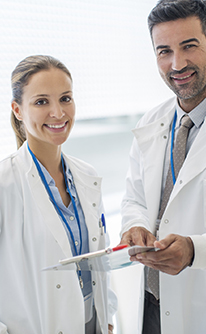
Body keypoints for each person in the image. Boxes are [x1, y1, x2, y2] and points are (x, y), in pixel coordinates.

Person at [120, 1, 206, 333]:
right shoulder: (151, 122)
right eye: (164, 51)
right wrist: (134, 226)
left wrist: (196, 251)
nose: (177, 64)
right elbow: (133, 199)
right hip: (149, 308)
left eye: (188, 46)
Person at [0, 55, 117, 334]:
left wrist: (108, 318)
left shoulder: (86, 176)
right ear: (17, 110)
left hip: (94, 324)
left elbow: (100, 259)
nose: (58, 112)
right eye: (42, 102)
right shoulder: (5, 184)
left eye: (65, 98)